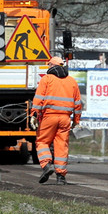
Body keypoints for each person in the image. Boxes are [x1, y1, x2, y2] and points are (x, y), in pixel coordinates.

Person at [30, 56, 82, 185]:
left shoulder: (46, 79)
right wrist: (76, 120)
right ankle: (61, 177)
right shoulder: (72, 81)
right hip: (65, 119)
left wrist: (34, 115)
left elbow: (38, 99)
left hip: (49, 117)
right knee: (61, 146)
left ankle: (47, 165)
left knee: (42, 141)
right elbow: (78, 104)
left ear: (52, 66)